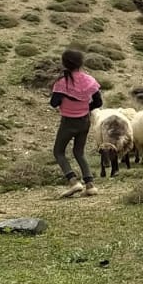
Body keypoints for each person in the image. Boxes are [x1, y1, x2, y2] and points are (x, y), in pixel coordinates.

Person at [48, 49, 103, 198]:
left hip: (68, 122)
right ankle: (90, 185)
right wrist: (85, 108)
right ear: (81, 63)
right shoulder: (90, 81)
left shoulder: (62, 82)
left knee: (58, 152)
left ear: (64, 63)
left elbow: (54, 103)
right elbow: (98, 102)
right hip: (84, 121)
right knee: (79, 152)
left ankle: (73, 182)